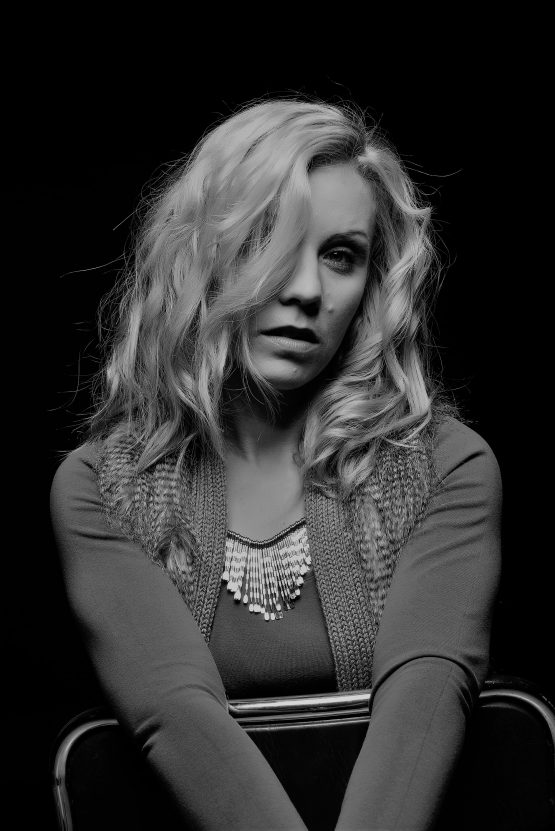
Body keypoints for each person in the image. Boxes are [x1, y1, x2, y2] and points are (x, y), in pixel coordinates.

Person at [50, 98, 502, 830]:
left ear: (371, 284)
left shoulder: (446, 467)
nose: (306, 290)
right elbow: (174, 712)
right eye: (270, 240)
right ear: (205, 252)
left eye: (340, 255)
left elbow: (426, 698)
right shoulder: (104, 487)